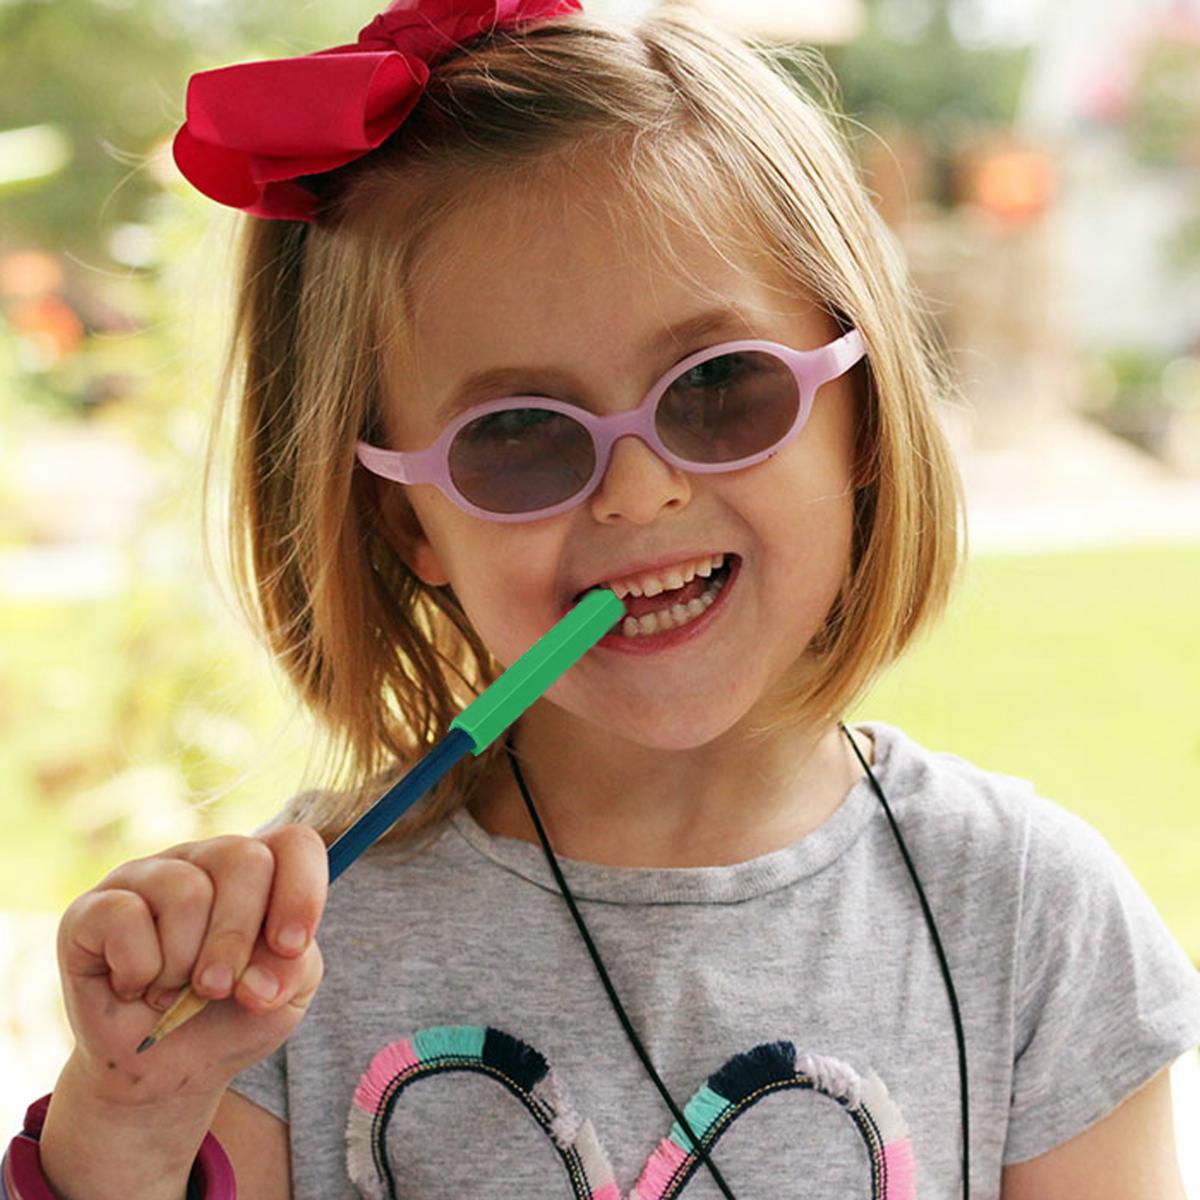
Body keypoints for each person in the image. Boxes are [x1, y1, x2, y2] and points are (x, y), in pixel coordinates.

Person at [8, 1, 1199, 1197]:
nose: (638, 493)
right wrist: (136, 1124)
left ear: (863, 416)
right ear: (408, 518)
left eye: (720, 388)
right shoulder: (284, 962)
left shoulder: (1032, 922)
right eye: (519, 436)